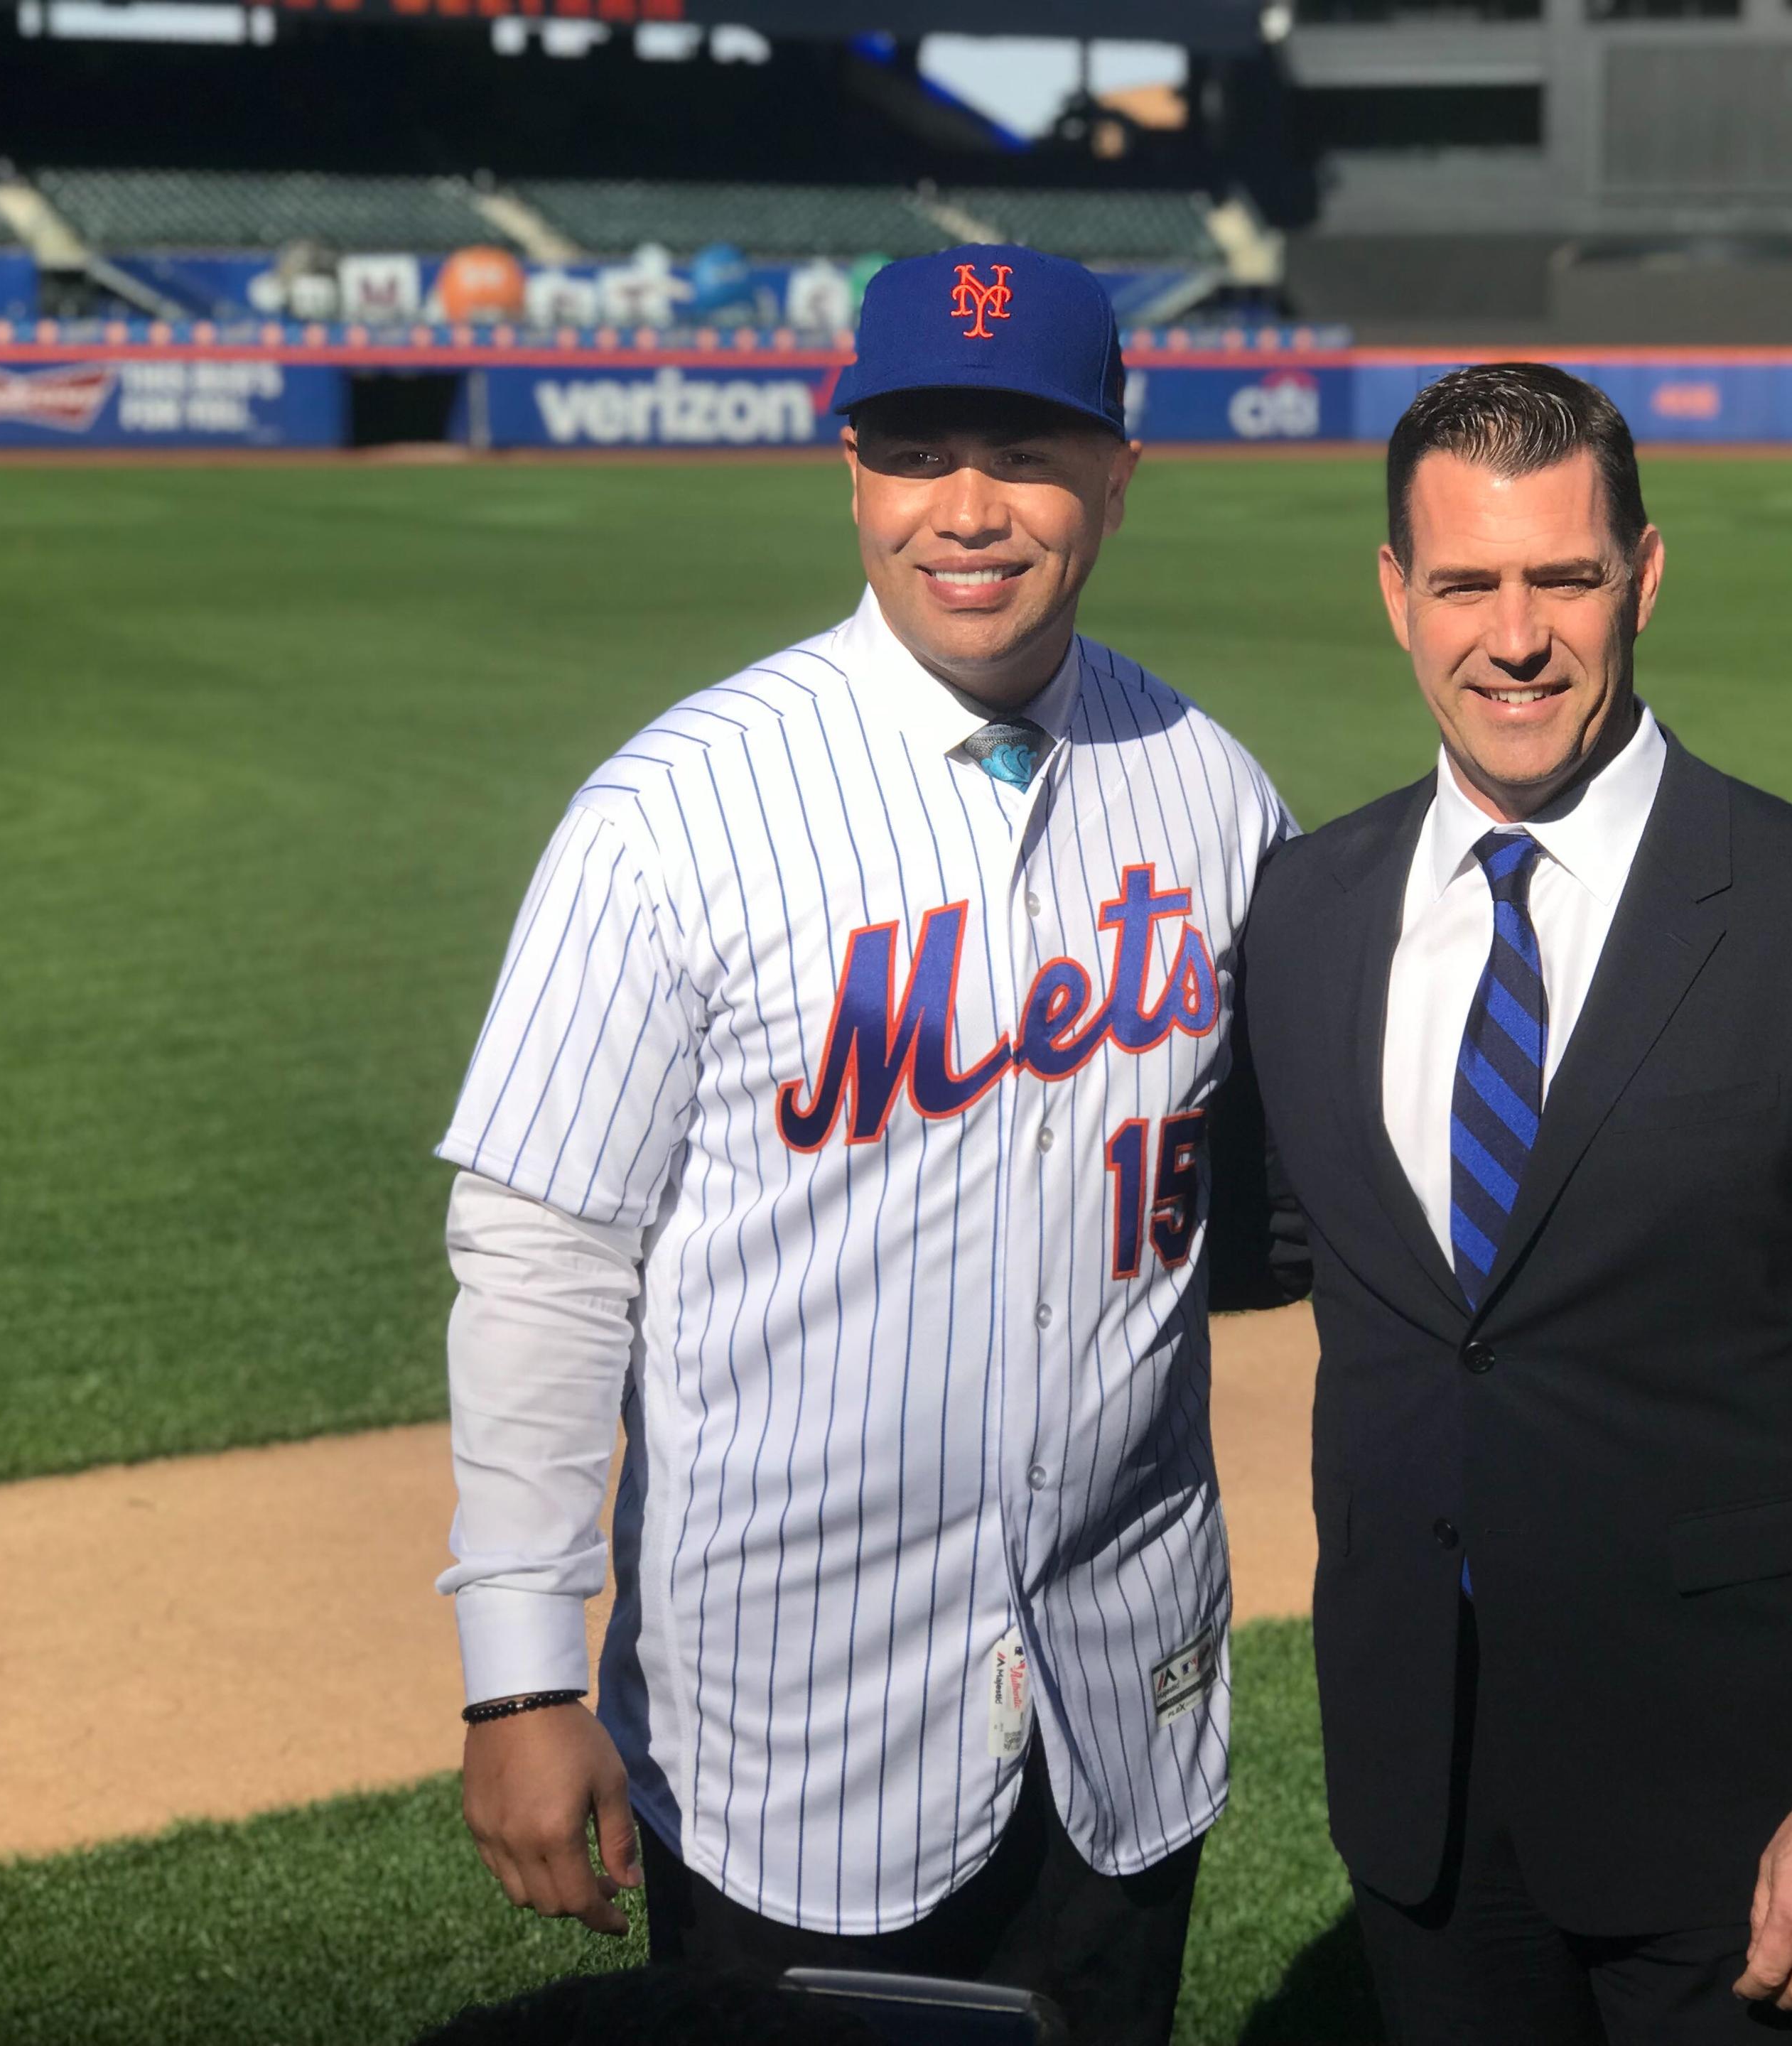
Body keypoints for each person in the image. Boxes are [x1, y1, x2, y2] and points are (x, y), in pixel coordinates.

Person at [431, 244, 1292, 2046]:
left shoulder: (1209, 785)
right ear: (850, 474)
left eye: (1029, 450)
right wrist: (518, 1680)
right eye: (916, 451)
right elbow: (543, 1254)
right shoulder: (673, 813)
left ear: (1119, 477)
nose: (968, 510)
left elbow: (1272, 1187)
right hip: (792, 1735)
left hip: (1122, 1704)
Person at [1237, 362, 1792, 2045]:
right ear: (1396, 595)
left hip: (1734, 1814)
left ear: (1643, 577)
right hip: (1419, 1798)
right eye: (1464, 584)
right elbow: (1278, 1247)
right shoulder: (1301, 910)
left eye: (1561, 578)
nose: (1513, 637)